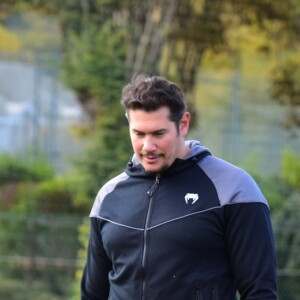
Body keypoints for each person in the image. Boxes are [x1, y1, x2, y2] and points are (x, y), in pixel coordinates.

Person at [81, 74, 277, 300]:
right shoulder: (108, 196)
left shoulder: (233, 189)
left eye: (158, 133)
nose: (148, 146)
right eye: (139, 133)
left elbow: (260, 292)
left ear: (183, 124)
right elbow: (92, 294)